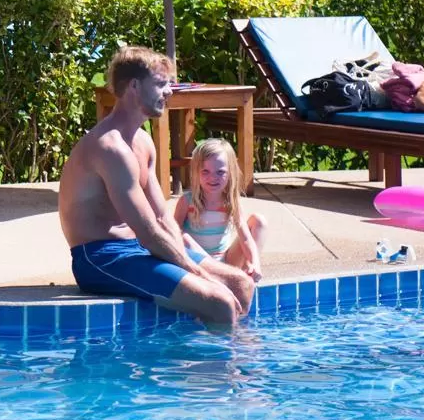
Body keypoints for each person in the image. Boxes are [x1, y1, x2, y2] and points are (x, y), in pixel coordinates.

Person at [58, 46, 255, 327]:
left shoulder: (142, 142)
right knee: (219, 302)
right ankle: (215, 370)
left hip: (137, 247)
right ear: (135, 86)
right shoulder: (110, 148)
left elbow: (162, 217)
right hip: (101, 257)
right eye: (161, 84)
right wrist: (195, 271)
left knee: (240, 284)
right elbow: (148, 231)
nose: (169, 91)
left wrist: (186, 255)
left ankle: (228, 360)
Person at [174, 138, 267, 282]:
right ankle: (220, 276)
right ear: (196, 172)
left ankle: (249, 272)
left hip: (225, 262)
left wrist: (255, 262)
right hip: (198, 263)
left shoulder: (231, 202)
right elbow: (172, 234)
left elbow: (246, 238)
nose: (213, 178)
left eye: (220, 172)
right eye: (205, 171)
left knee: (259, 221)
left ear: (230, 173)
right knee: (181, 236)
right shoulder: (187, 201)